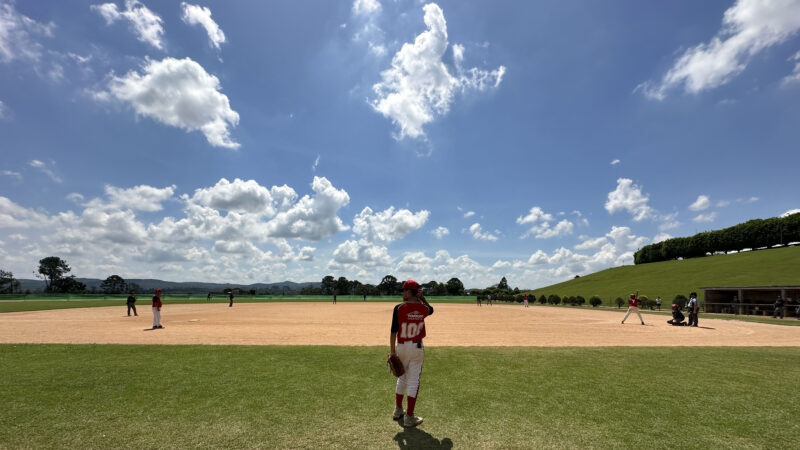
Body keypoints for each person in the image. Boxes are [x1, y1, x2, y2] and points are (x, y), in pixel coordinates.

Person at [390, 280, 433, 428]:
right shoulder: (422, 309)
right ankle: (409, 417)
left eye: (404, 290)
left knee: (402, 378)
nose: (402, 293)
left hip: (402, 346)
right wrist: (422, 299)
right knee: (413, 381)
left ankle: (397, 410)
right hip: (416, 347)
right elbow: (431, 310)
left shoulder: (399, 308)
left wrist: (392, 351)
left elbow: (393, 331)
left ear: (409, 292)